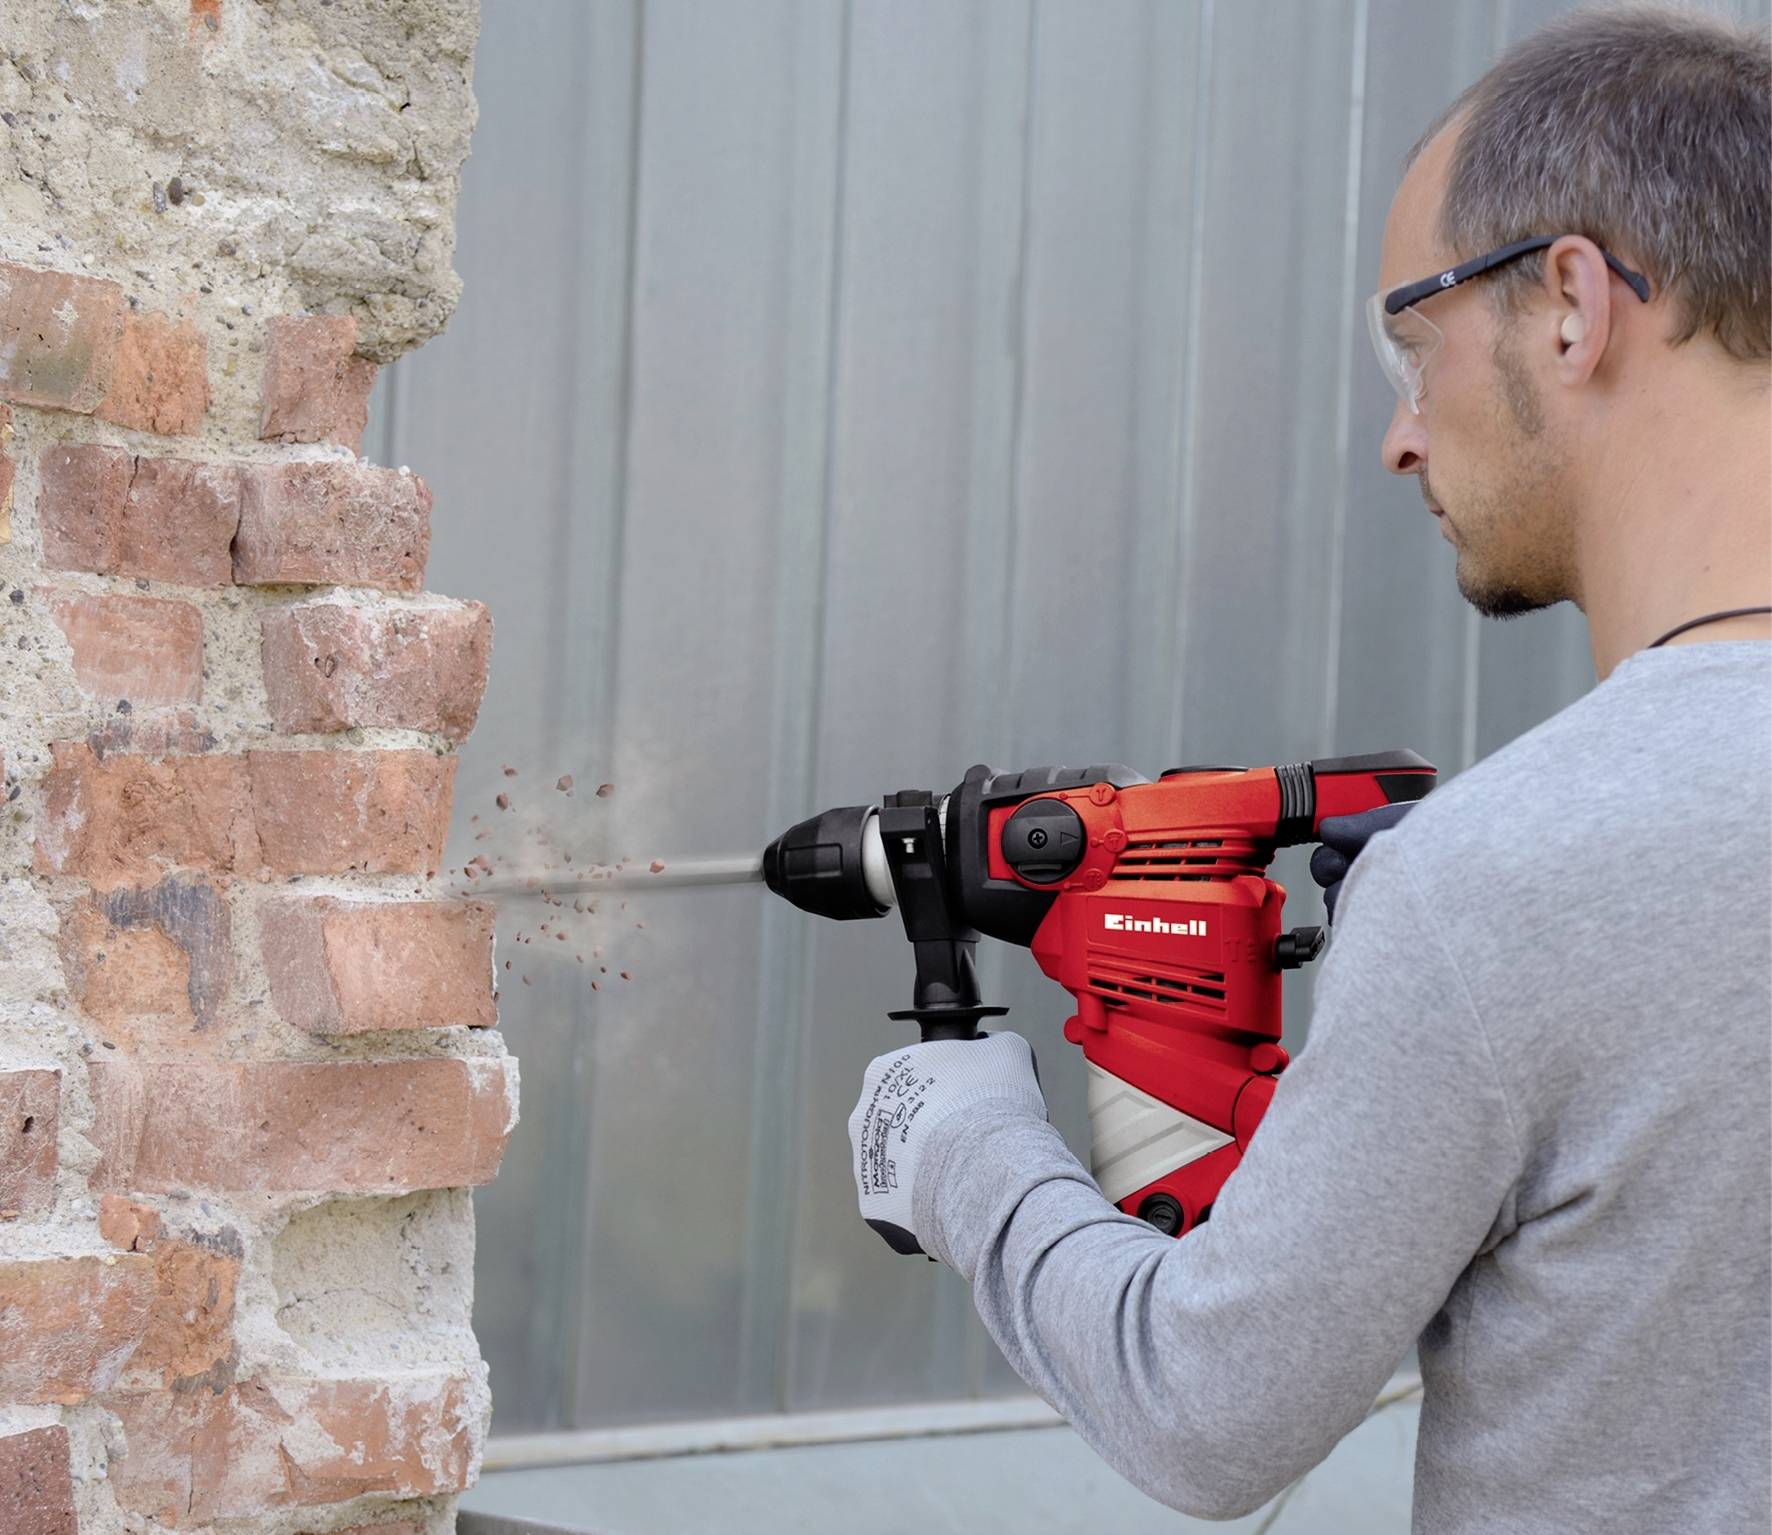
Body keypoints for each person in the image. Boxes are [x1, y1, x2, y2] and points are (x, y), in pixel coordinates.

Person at [844, 7, 1771, 1529]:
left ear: (1570, 306)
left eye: (1414, 341)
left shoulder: (1496, 886)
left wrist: (953, 1139)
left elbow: (1204, 1414)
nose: (1402, 436)